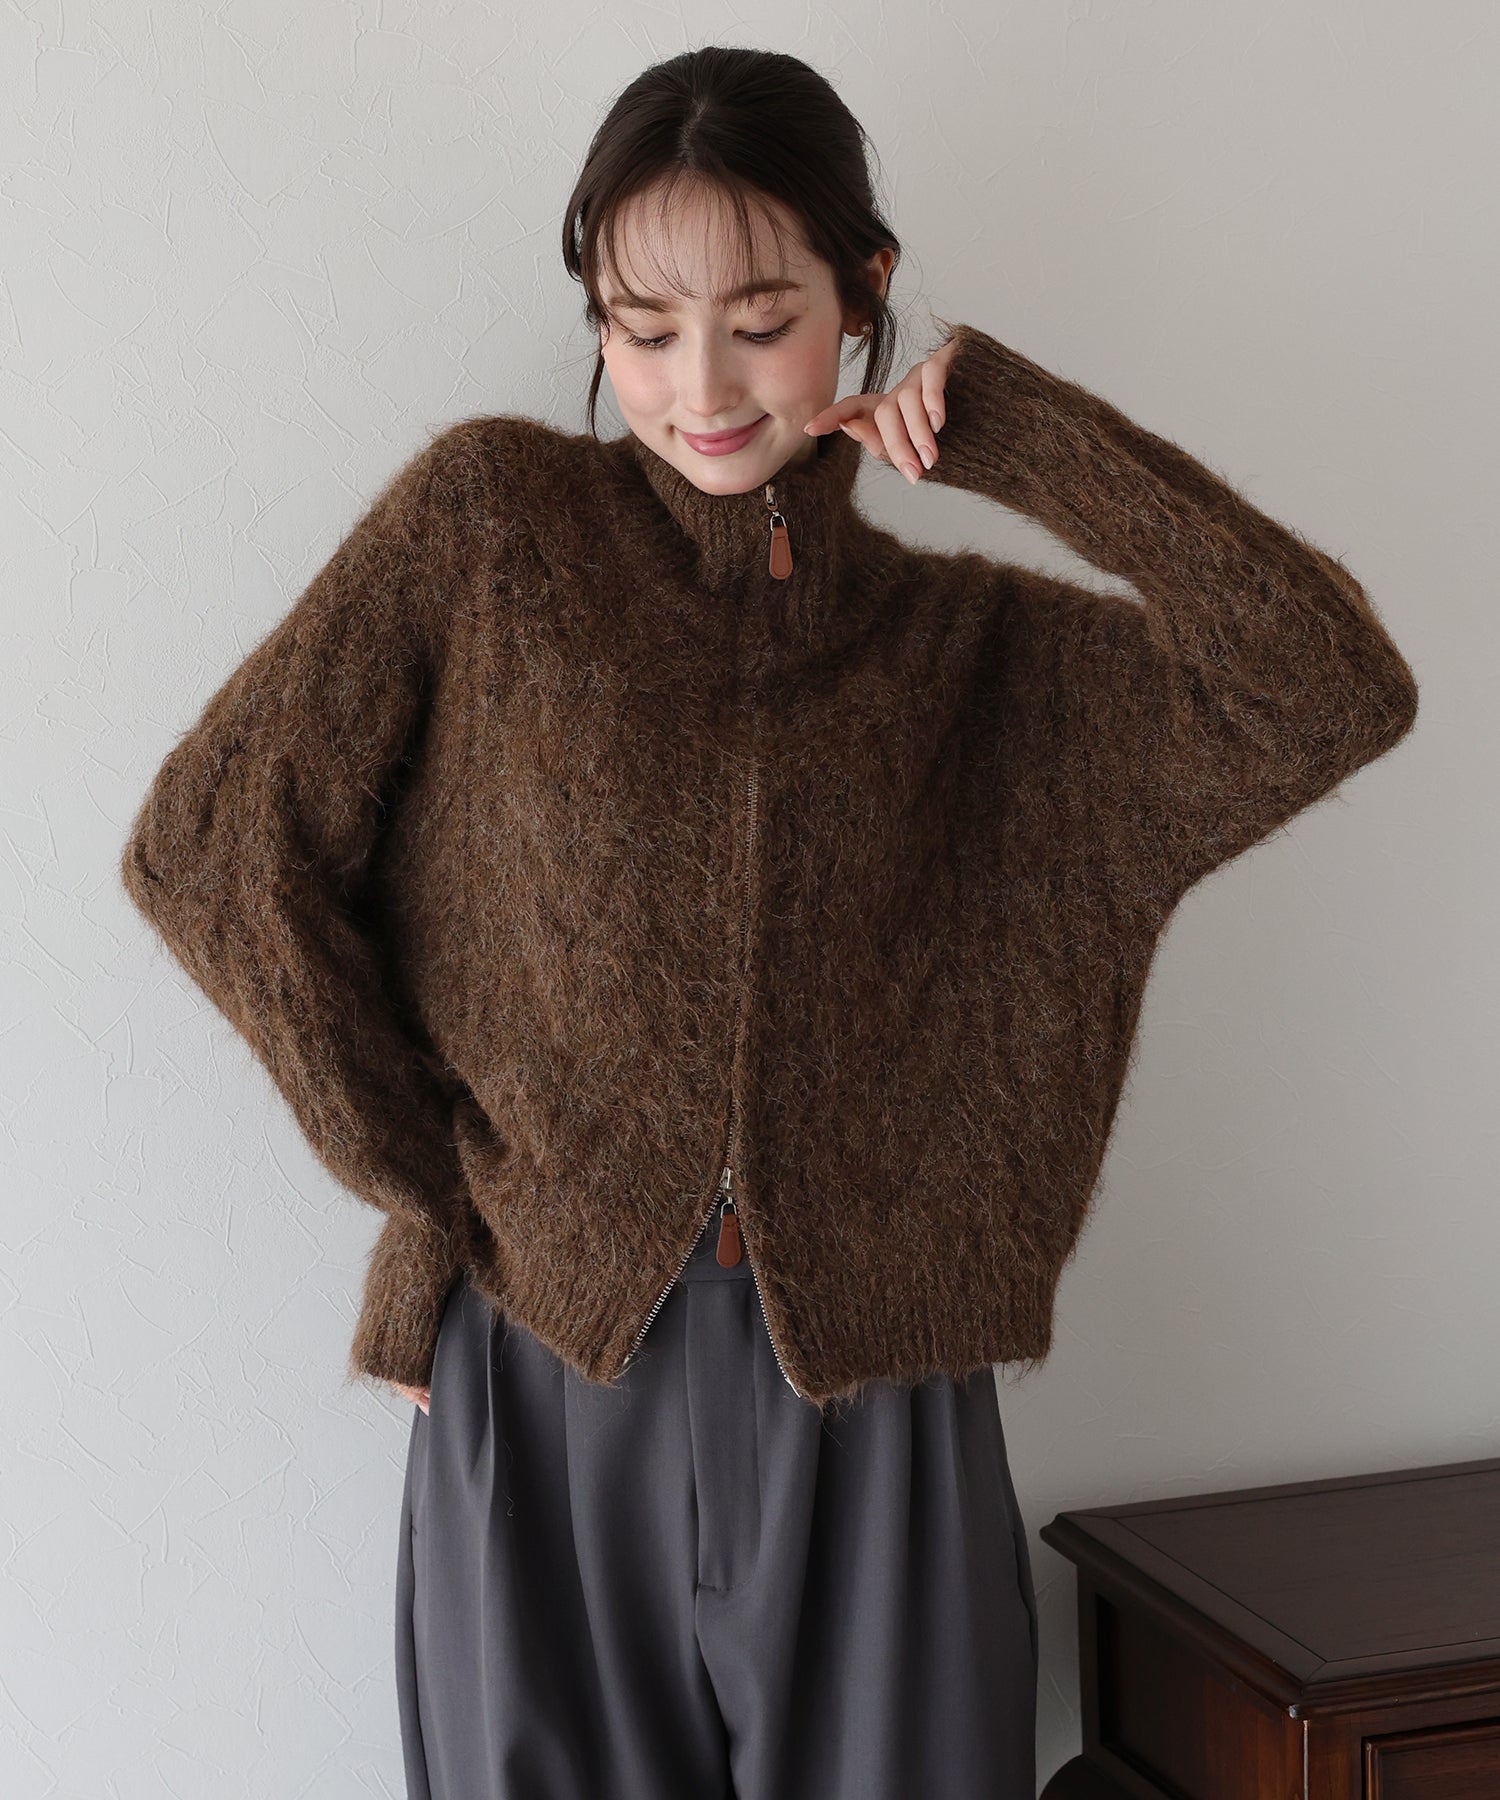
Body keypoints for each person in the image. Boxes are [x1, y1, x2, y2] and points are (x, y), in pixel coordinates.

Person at [118, 45, 1420, 1800]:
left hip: (873, 1400)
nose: (700, 386)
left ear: (862, 294)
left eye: (759, 319)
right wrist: (433, 1194)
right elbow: (214, 846)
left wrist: (1024, 437)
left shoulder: (977, 661)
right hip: (540, 1377)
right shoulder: (492, 529)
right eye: (641, 328)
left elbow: (1326, 686)